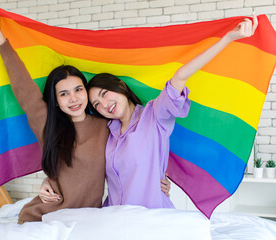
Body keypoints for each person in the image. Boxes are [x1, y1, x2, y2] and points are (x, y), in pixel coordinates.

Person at [0, 4, 171, 223]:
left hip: (89, 218)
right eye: (63, 94)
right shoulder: (47, 123)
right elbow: (23, 88)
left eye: (78, 90)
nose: (73, 99)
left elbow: (142, 146)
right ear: (56, 101)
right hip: (46, 216)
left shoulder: (106, 126)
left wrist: (156, 178)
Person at [86, 15, 258, 208]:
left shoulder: (153, 115)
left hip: (152, 218)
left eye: (104, 93)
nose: (103, 104)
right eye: (96, 104)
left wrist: (227, 39)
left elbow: (180, 77)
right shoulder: (107, 134)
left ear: (120, 86)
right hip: (114, 218)